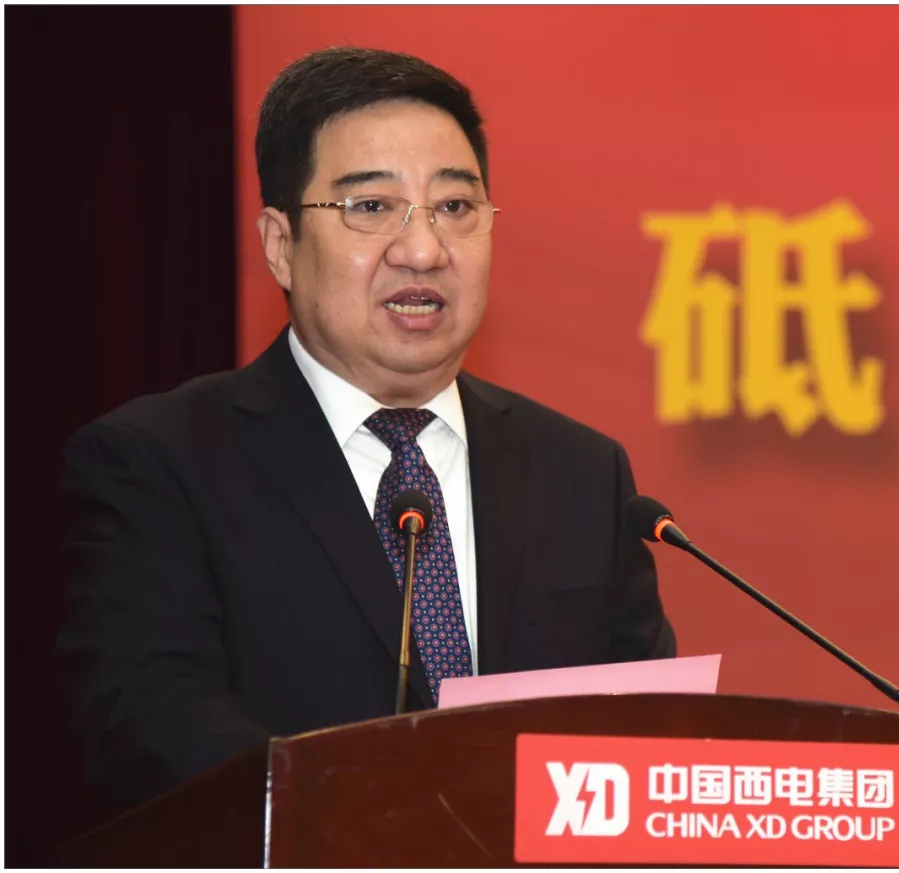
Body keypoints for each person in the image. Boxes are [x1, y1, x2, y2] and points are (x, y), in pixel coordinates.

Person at [57, 46, 675, 813]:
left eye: (456, 207)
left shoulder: (582, 473)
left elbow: (647, 742)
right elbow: (153, 731)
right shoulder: (160, 463)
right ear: (281, 245)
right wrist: (389, 828)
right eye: (372, 207)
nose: (424, 250)